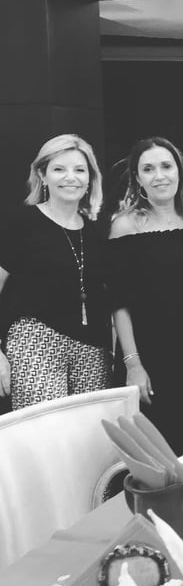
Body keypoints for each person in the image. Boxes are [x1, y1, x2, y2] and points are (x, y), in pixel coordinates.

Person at [107, 137, 183, 453]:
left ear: (180, 172)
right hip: (153, 359)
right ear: (138, 178)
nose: (159, 175)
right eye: (148, 169)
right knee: (160, 455)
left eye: (166, 166)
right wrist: (133, 364)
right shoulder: (125, 224)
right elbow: (119, 302)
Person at [0, 134, 111, 410]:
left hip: (92, 347)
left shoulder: (97, 231)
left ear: (90, 178)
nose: (70, 177)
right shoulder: (21, 223)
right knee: (46, 430)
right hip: (35, 341)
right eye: (59, 169)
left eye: (79, 170)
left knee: (89, 430)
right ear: (42, 175)